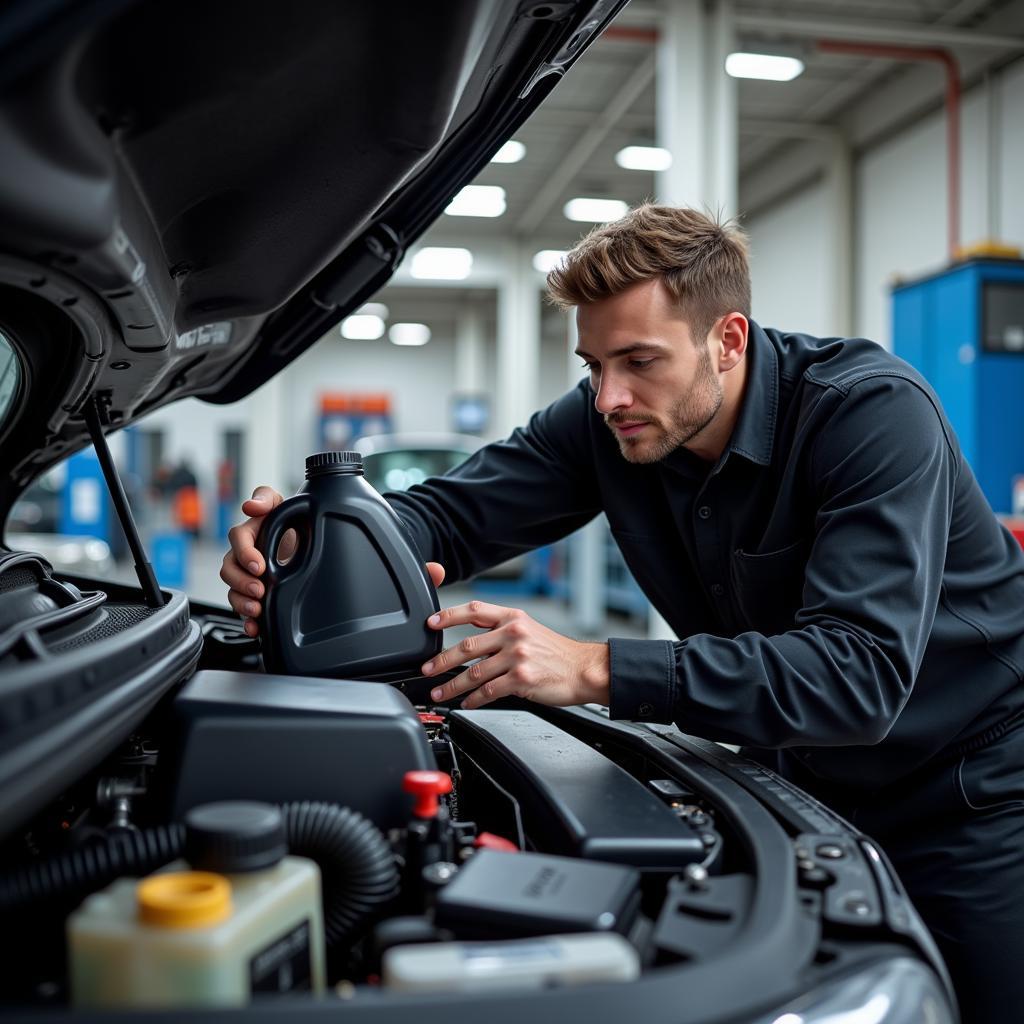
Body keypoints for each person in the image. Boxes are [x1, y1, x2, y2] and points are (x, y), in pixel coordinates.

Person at [222, 205, 1024, 1022]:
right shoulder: (610, 420)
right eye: (594, 364)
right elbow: (450, 515)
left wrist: (595, 666)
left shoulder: (869, 416)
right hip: (803, 778)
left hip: (968, 792)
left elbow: (857, 675)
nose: (609, 397)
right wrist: (321, 546)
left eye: (640, 360)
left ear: (729, 339)